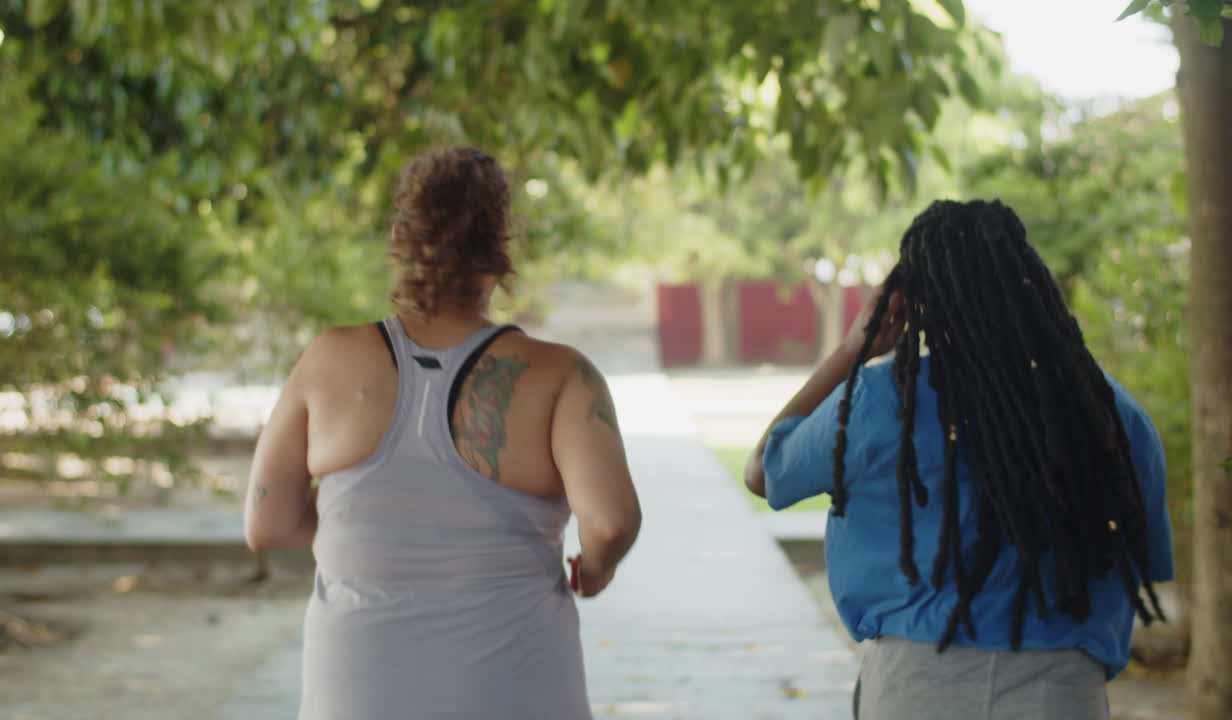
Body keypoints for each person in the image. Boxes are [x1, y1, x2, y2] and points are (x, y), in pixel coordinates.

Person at [243, 146, 642, 719]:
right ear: (501, 246)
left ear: (400, 235)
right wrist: (596, 571)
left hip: (359, 691)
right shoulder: (561, 375)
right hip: (514, 688)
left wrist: (370, 524)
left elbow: (267, 523)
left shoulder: (329, 360)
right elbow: (611, 522)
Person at [744, 199, 1173, 719]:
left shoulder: (879, 399)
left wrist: (852, 350)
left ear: (915, 300)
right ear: (1028, 283)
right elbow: (1145, 558)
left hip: (917, 684)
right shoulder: (1107, 411)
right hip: (1061, 689)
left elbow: (764, 473)